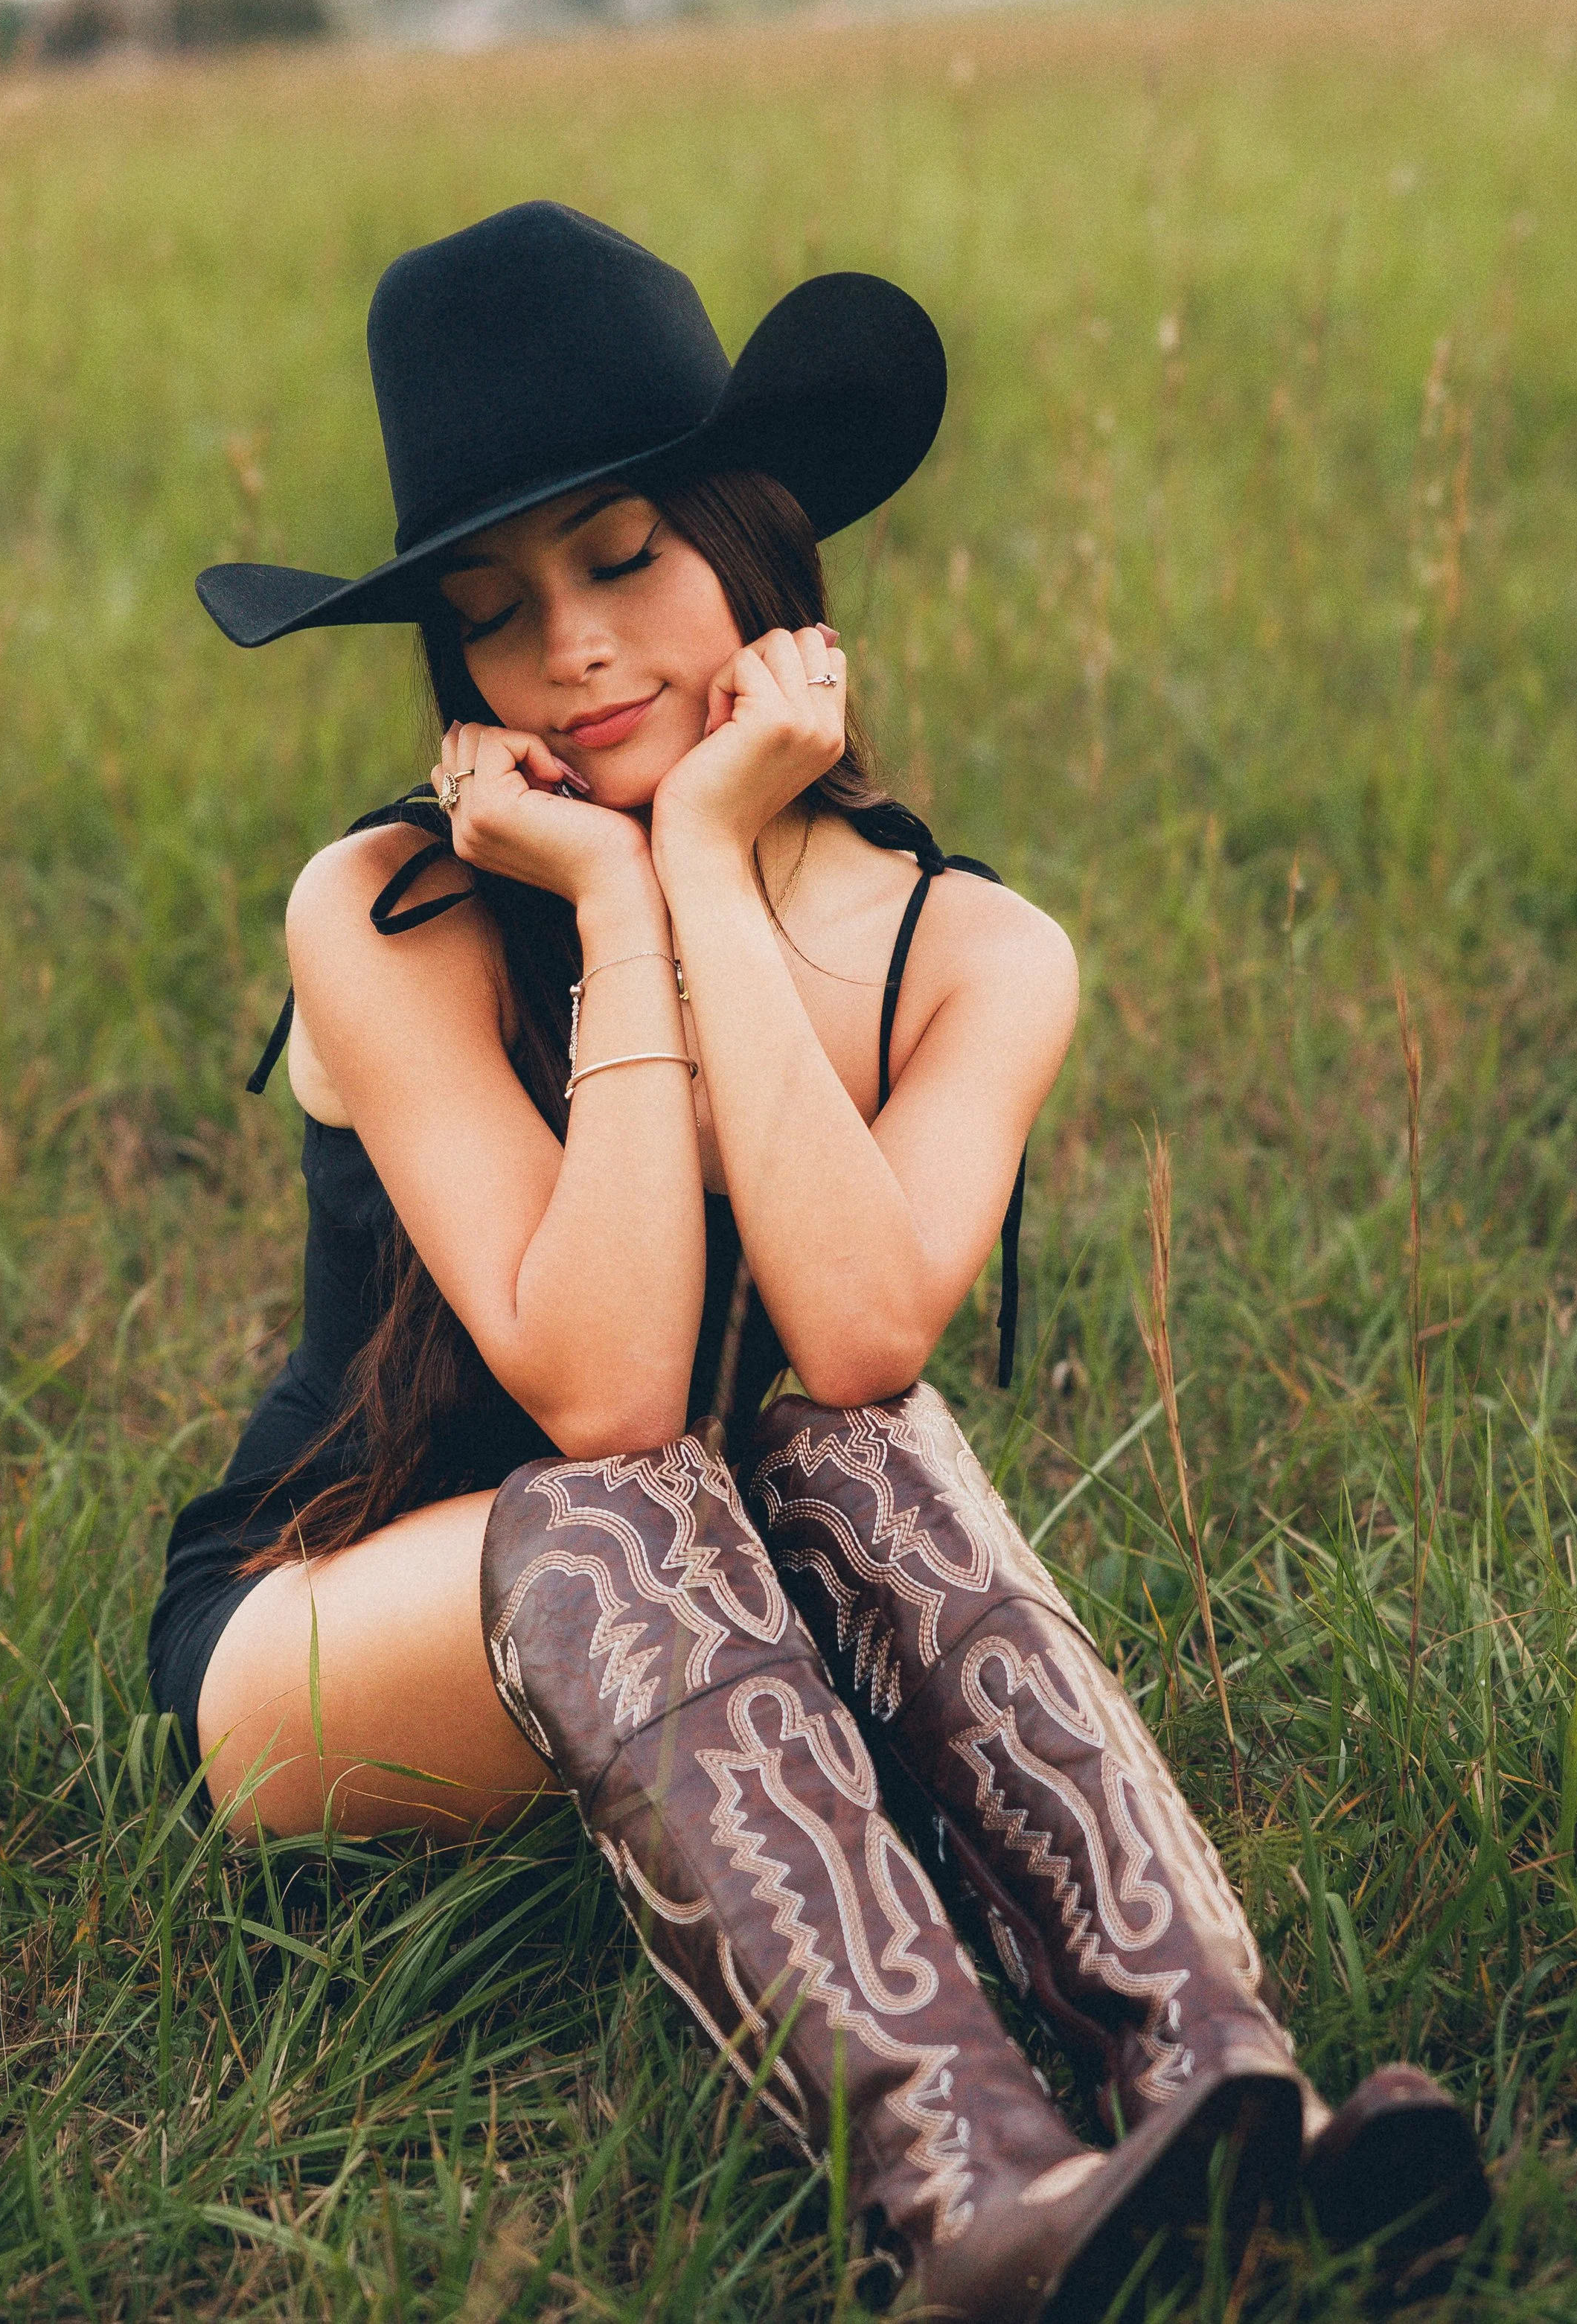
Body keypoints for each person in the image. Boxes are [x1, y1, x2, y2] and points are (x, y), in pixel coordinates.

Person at [153, 203, 1488, 2320]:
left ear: (752, 550)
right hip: (338, 1627)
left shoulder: (971, 945)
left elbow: (860, 1336)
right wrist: (619, 905)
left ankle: (1225, 2083)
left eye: (621, 560)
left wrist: (703, 860)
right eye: (494, 613)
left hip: (724, 1602)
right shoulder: (388, 906)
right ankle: (962, 2194)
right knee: (619, 1498)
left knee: (852, 1443)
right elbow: (596, 1393)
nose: (569, 654)